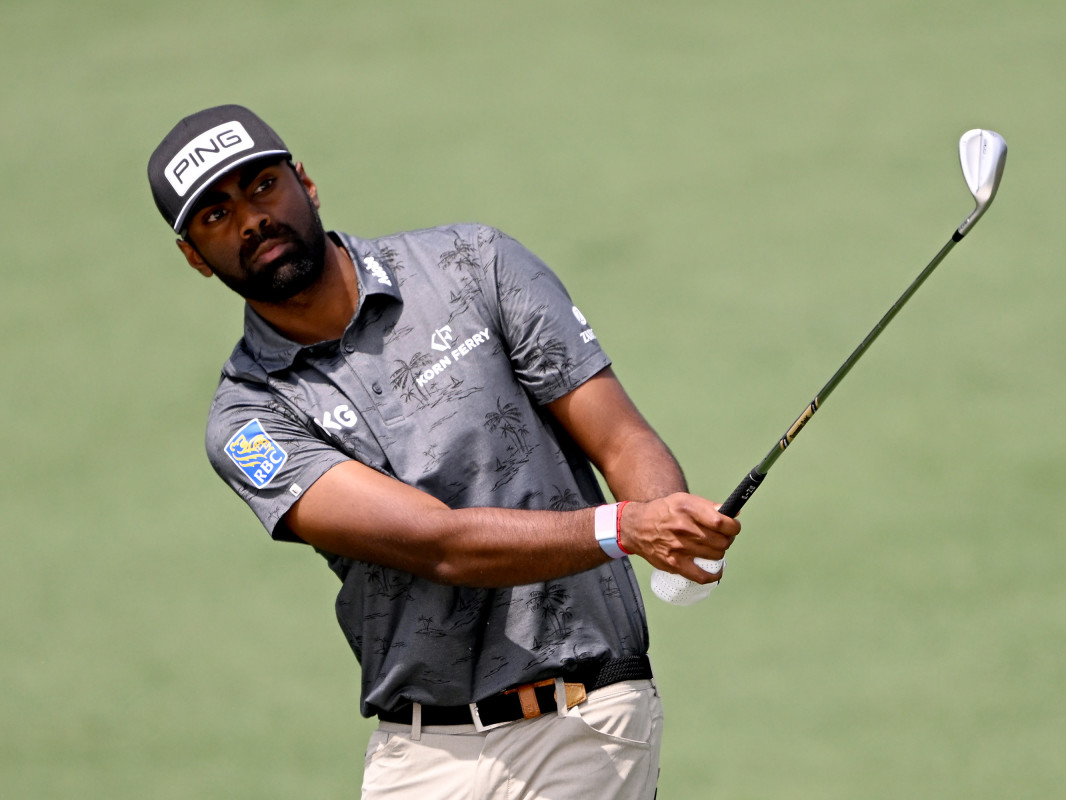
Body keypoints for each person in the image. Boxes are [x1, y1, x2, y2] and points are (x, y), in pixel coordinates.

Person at [147, 105, 739, 799]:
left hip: (585, 717)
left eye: (261, 186)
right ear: (193, 255)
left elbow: (619, 436)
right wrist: (627, 528)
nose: (251, 220)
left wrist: (669, 516)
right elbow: (437, 543)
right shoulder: (248, 421)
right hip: (417, 753)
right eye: (215, 215)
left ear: (304, 182)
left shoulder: (473, 264)